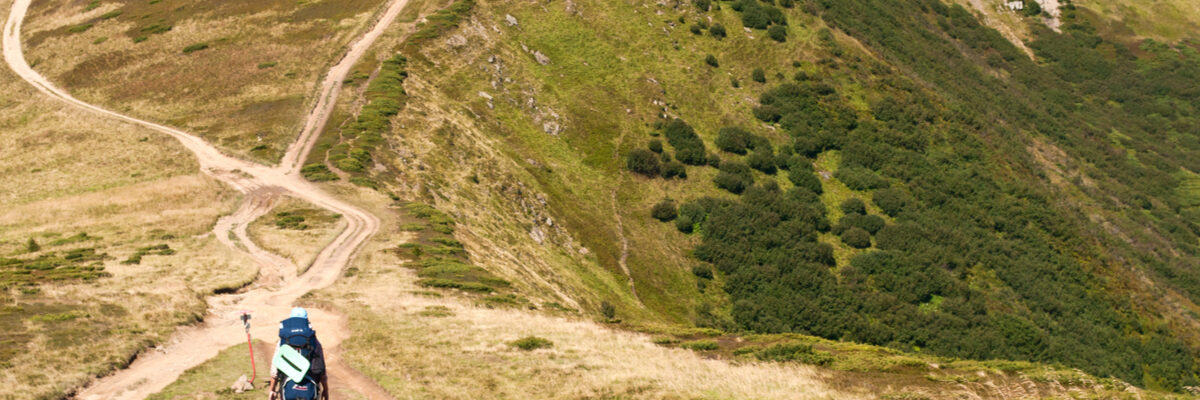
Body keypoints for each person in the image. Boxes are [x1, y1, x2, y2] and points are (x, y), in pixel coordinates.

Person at [268, 308, 329, 400]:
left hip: (288, 388)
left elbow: (274, 370)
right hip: (310, 388)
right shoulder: (313, 341)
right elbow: (321, 367)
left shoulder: (283, 341)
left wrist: (272, 390)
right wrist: (325, 389)